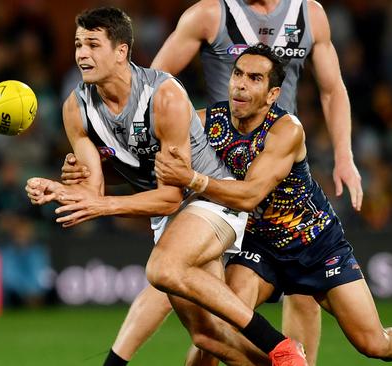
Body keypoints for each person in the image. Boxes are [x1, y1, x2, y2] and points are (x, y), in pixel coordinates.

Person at [61, 1, 362, 364]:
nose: (83, 53)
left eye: (92, 45)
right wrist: (119, 146)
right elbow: (148, 90)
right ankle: (280, 351)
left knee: (183, 274)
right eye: (80, 45)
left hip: (272, 167)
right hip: (217, 159)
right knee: (206, 325)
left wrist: (344, 155)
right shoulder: (208, 14)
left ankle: (283, 351)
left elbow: (332, 89)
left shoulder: (309, 15)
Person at [154, 44, 392, 366]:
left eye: (254, 78)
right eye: (237, 74)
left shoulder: (286, 130)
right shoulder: (204, 122)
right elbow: (151, 140)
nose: (241, 84)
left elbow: (250, 195)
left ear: (272, 93)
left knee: (374, 343)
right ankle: (288, 357)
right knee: (219, 327)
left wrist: (192, 178)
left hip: (316, 245)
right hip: (258, 247)